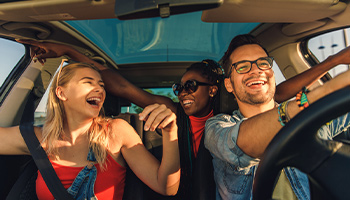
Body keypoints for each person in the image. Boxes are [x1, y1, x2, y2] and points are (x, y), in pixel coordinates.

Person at [17, 38, 350, 199]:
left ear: (215, 89)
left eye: (192, 86)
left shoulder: (229, 115)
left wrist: (334, 62)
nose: (182, 93)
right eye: (179, 87)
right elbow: (121, 86)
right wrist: (72, 52)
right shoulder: (183, 116)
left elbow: (276, 96)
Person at [0, 62, 180, 200]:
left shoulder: (116, 131)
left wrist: (171, 132)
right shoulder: (38, 137)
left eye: (101, 85)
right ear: (62, 93)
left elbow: (166, 187)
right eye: (88, 82)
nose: (100, 89)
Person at [204, 34, 350, 200]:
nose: (256, 70)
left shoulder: (310, 116)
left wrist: (334, 62)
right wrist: (325, 92)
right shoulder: (217, 126)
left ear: (272, 72)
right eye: (243, 67)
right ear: (229, 84)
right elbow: (241, 144)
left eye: (263, 63)